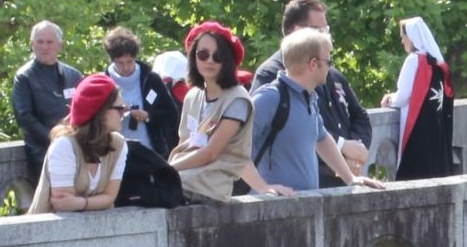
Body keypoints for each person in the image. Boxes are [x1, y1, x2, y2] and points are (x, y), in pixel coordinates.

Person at [252, 29, 378, 196]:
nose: (330, 67)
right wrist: (262, 188)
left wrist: (350, 179)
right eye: (328, 61)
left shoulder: (309, 97)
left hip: (303, 206)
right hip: (272, 209)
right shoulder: (270, 98)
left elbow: (322, 139)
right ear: (313, 64)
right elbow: (233, 148)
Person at [277, 0, 375, 186]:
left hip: (335, 179)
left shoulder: (331, 75)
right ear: (297, 31)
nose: (325, 36)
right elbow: (244, 144)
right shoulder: (274, 79)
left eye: (326, 30)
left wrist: (354, 157)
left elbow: (358, 117)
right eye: (318, 31)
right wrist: (343, 147)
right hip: (295, 186)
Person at [167, 21, 267, 202]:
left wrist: (166, 170)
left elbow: (210, 153)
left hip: (208, 190)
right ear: (193, 57)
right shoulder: (193, 96)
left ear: (227, 60)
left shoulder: (237, 99)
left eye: (218, 56)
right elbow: (184, 146)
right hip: (183, 181)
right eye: (203, 54)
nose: (210, 61)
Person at [28, 74, 128, 214]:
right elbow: (62, 205)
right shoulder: (64, 145)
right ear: (101, 111)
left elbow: (110, 197)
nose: (123, 114)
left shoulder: (118, 144)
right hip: (48, 231)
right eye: (120, 109)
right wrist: (92, 202)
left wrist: (80, 202)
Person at [382, 17, 456, 181]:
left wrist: (390, 99)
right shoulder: (437, 63)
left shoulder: (414, 60)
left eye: (403, 36)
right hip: (435, 128)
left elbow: (403, 97)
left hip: (417, 128)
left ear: (412, 37)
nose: (402, 41)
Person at [98, 28, 181, 156]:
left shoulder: (151, 79)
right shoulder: (102, 82)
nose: (125, 67)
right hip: (113, 152)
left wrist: (148, 116)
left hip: (149, 150)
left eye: (129, 62)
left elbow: (171, 115)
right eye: (120, 63)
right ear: (112, 60)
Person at [9, 20, 83, 144]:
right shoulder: (24, 77)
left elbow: (87, 108)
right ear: (32, 44)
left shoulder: (74, 75)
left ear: (60, 45)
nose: (44, 47)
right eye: (40, 42)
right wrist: (53, 138)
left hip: (76, 146)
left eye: (49, 42)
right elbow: (24, 117)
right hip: (42, 151)